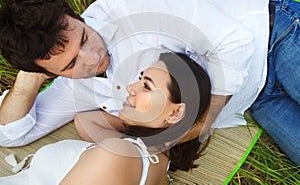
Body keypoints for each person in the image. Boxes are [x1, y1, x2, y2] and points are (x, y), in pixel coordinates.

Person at [0, 0, 299, 166]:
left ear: (76, 17)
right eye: (70, 65)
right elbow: (11, 134)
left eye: (84, 38)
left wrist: (197, 125)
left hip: (275, 34)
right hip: (257, 96)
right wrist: (30, 79)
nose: (93, 59)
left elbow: (234, 42)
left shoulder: (136, 3)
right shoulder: (69, 88)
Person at [0, 52, 212, 185]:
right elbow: (85, 121)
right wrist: (148, 123)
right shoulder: (152, 159)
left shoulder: (119, 154)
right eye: (140, 79)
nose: (131, 88)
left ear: (175, 112)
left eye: (146, 86)